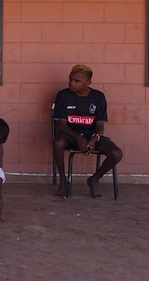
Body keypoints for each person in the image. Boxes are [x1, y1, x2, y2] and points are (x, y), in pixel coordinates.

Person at [52, 64, 124, 199]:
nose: (71, 83)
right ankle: (63, 181)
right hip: (70, 135)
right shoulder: (63, 95)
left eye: (76, 81)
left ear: (88, 82)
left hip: (91, 136)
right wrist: (79, 138)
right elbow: (61, 125)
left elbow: (100, 126)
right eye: (70, 79)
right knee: (57, 143)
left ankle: (94, 179)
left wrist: (92, 140)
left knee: (116, 153)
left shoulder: (98, 97)